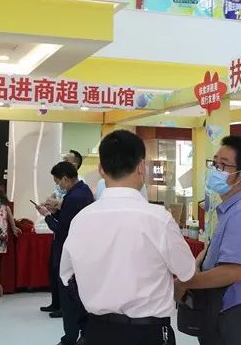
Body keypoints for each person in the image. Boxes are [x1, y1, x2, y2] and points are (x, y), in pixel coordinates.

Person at [61, 130, 196, 345]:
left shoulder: (81, 220)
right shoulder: (159, 219)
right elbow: (187, 271)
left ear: (101, 169)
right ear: (141, 166)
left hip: (97, 331)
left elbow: (66, 275)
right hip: (147, 333)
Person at [175, 135, 241, 345]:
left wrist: (186, 283)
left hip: (233, 313)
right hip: (220, 309)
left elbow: (233, 271)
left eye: (223, 165)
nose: (215, 170)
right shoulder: (232, 209)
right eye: (215, 164)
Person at [38, 161, 94, 345]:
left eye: (58, 182)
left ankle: (69, 338)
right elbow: (68, 218)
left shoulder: (74, 197)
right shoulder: (83, 191)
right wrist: (56, 210)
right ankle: (83, 334)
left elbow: (62, 229)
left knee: (69, 300)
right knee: (80, 297)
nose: (58, 186)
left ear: (65, 178)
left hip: (69, 252)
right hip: (82, 252)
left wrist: (47, 215)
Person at [0, 184, 21, 299]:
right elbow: (9, 213)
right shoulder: (3, 202)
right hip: (2, 231)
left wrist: (14, 227)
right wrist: (13, 227)